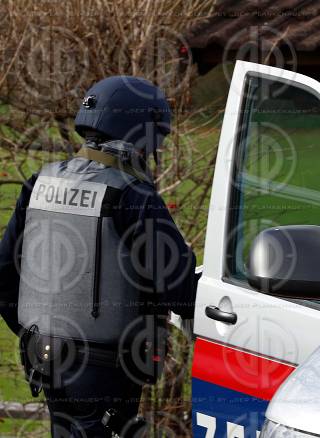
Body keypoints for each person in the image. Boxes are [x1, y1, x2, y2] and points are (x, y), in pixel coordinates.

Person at [0, 76, 197, 437]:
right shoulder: (132, 194)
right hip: (105, 369)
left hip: (43, 358)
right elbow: (181, 292)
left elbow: (3, 274)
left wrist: (36, 330)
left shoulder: (38, 184)